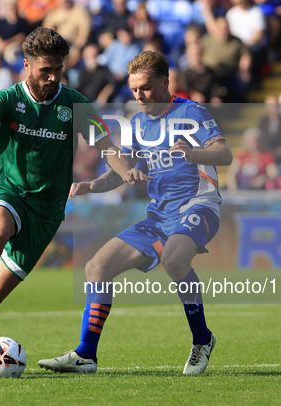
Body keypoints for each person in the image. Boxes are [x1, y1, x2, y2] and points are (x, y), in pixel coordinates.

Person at [0, 27, 149, 377]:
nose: (52, 77)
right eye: (45, 70)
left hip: (46, 211)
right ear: (27, 66)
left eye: (58, 70)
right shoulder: (11, 98)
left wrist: (126, 171)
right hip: (7, 189)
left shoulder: (74, 104)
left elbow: (105, 145)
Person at [38, 50, 232, 374]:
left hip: (198, 204)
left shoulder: (192, 112)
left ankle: (202, 339)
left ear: (165, 81)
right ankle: (86, 354)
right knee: (96, 267)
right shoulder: (139, 122)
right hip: (159, 216)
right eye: (134, 90)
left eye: (145, 87)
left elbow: (224, 154)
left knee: (174, 258)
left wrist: (194, 152)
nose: (139, 96)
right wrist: (91, 185)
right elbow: (122, 171)